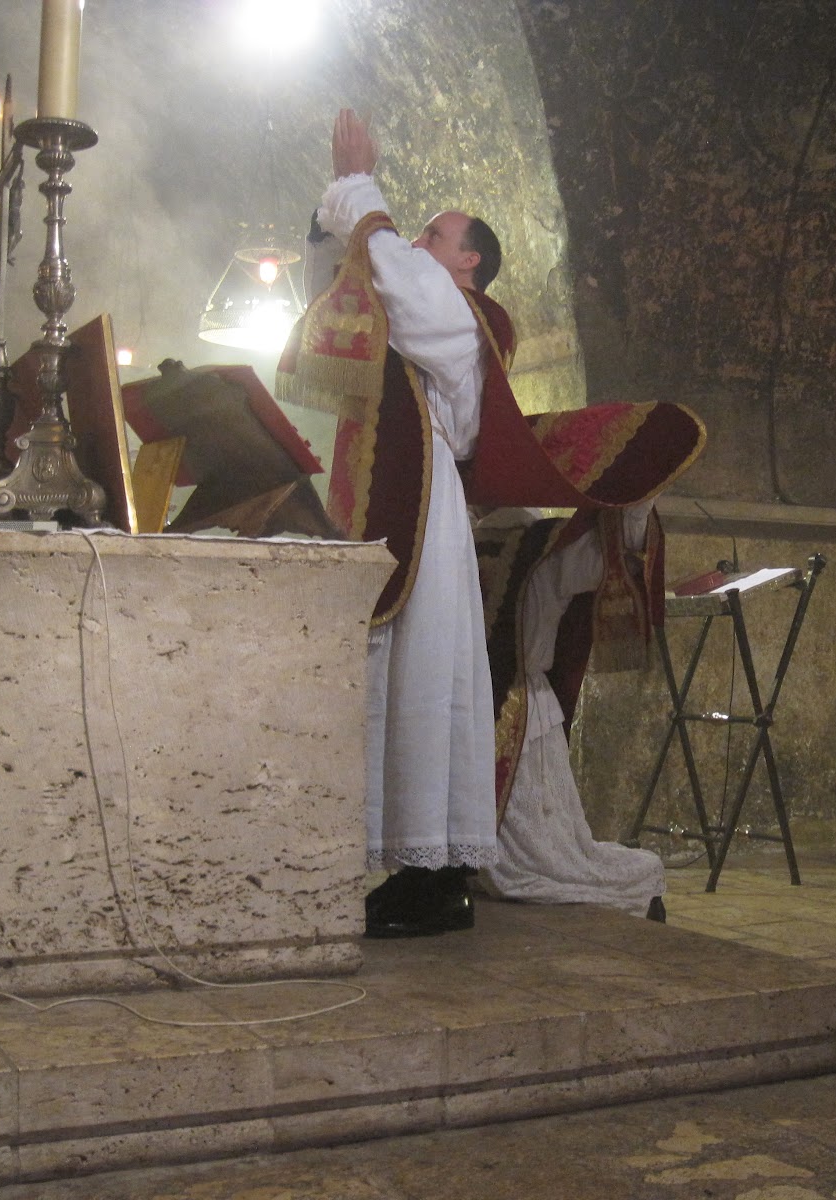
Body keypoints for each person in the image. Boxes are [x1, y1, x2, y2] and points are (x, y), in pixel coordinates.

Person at [278, 109, 505, 937]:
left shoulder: (467, 316)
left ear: (469, 261)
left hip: (426, 511)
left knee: (423, 682)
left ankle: (437, 876)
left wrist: (361, 195)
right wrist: (329, 216)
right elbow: (337, 307)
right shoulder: (412, 294)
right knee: (388, 680)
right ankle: (393, 863)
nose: (414, 240)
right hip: (382, 498)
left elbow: (405, 298)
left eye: (435, 235)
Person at [475, 505, 668, 918]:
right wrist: (633, 499)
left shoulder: (464, 538)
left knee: (528, 850)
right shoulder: (547, 546)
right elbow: (621, 556)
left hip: (483, 703)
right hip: (521, 702)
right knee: (543, 850)